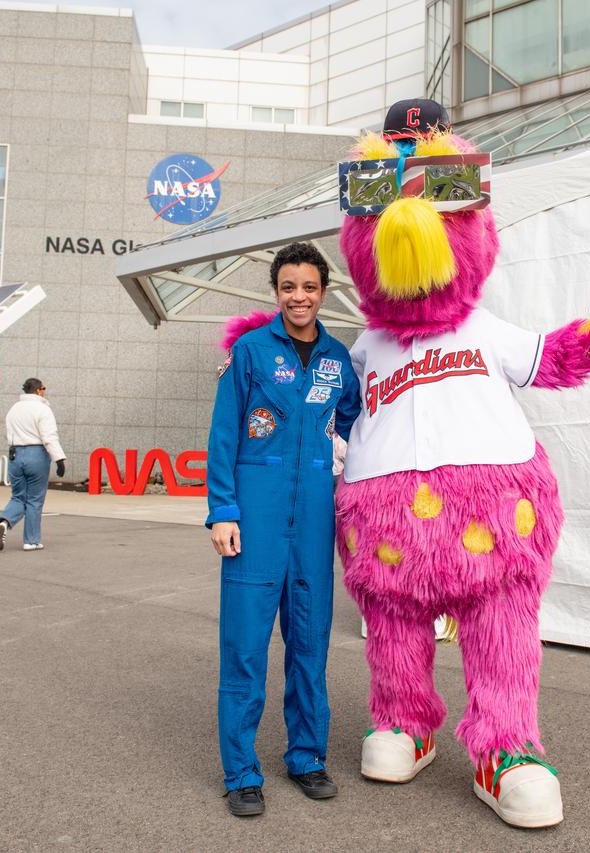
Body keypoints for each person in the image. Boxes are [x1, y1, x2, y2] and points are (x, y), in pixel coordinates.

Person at [206, 242, 361, 817]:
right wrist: (222, 510)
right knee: (245, 649)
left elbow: (352, 416)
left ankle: (306, 758)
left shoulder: (337, 359)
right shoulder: (248, 353)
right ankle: (241, 771)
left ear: (324, 292)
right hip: (256, 520)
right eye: (289, 287)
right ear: (276, 292)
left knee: (309, 646)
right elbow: (224, 435)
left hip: (314, 523)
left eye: (310, 287)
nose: (300, 297)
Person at [0, 378, 65, 552]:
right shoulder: (43, 409)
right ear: (39, 390)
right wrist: (59, 459)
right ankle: (31, 541)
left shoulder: (14, 409)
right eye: (44, 388)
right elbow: (49, 437)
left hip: (15, 455)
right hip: (36, 455)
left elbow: (9, 434)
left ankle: (4, 522)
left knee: (18, 496)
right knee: (34, 499)